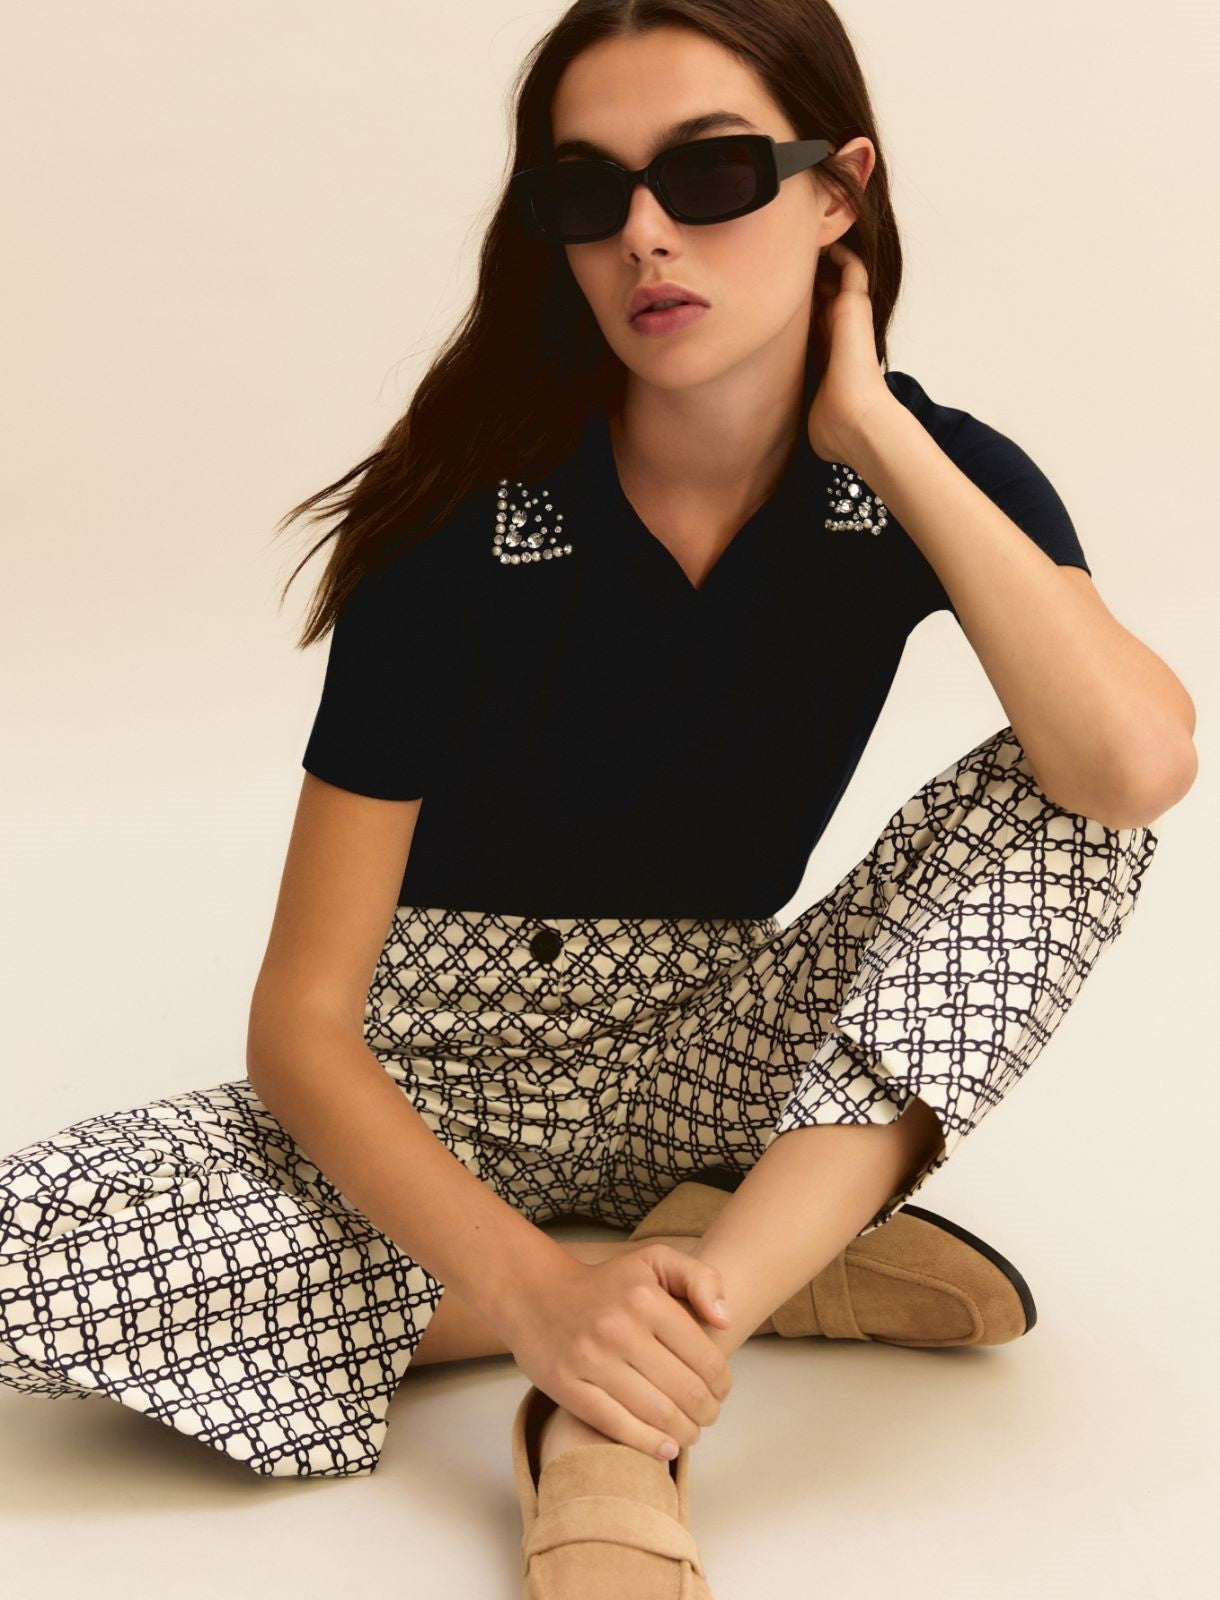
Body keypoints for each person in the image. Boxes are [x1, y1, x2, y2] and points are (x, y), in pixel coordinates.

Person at [0, 3, 1194, 1595]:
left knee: (1068, 804)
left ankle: (640, 1387)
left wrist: (871, 428)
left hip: (722, 1051)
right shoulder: (464, 510)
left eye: (710, 175)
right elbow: (301, 1026)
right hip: (441, 1084)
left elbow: (1134, 765)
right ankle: (731, 1275)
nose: (644, 235)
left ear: (838, 191)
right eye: (587, 191)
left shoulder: (920, 475)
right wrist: (539, 1297)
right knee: (23, 1248)